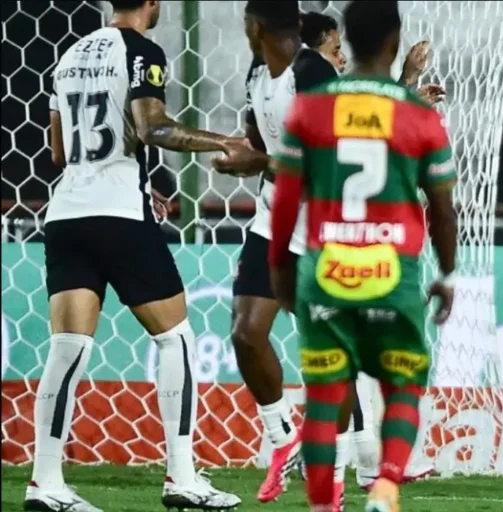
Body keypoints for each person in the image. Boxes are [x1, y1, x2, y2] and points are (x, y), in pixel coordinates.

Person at [211, 2, 440, 503]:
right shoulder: (258, 75)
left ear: (259, 26)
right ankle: (282, 441)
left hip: (322, 227)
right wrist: (244, 155)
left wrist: (259, 161)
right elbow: (261, 140)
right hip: (274, 217)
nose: (339, 57)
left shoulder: (311, 74)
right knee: (246, 334)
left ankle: (339, 482)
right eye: (334, 47)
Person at [28, 1, 246, 510]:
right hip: (119, 214)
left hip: (66, 215)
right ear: (152, 3)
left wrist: (141, 178)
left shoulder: (69, 55)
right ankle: (182, 477)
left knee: (67, 349)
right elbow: (154, 129)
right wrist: (224, 141)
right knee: (176, 339)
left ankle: (45, 482)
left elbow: (58, 153)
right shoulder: (142, 51)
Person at [267, 0, 458, 509]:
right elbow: (442, 208)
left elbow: (285, 201)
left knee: (324, 398)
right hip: (391, 274)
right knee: (403, 385)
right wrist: (448, 274)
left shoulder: (311, 107)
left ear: (345, 41)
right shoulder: (418, 112)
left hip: (326, 272)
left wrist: (280, 268)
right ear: (395, 42)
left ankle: (322, 505)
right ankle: (387, 484)